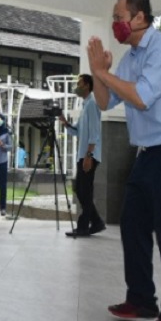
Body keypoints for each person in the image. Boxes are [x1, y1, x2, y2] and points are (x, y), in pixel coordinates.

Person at [89, 0, 161, 321]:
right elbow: (106, 103)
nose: (115, 23)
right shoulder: (131, 57)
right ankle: (141, 300)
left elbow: (142, 97)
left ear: (139, 18)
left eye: (119, 16)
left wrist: (106, 73)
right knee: (132, 227)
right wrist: (97, 74)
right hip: (147, 154)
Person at [59, 74, 105, 237]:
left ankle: (84, 226)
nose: (77, 87)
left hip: (89, 155)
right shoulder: (85, 105)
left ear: (86, 85)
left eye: (79, 83)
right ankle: (96, 222)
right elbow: (77, 130)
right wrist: (65, 123)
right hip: (84, 155)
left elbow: (94, 133)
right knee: (81, 190)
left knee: (83, 190)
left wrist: (88, 155)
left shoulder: (92, 104)